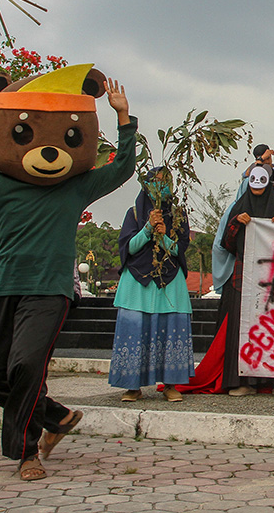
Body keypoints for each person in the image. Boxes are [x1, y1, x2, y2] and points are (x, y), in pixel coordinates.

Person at [0, 72, 136, 481]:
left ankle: (27, 454)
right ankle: (57, 416)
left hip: (49, 291)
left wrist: (124, 119)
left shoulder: (75, 187)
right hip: (3, 289)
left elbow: (122, 168)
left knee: (25, 366)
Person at [178, 166, 274, 396]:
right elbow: (228, 246)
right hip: (242, 279)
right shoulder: (237, 211)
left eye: (262, 182)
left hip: (273, 282)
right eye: (253, 182)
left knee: (273, 328)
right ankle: (243, 382)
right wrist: (237, 225)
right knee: (241, 330)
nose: (257, 186)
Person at [109, 168, 194, 403]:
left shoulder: (178, 215)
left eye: (166, 182)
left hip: (170, 280)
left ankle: (169, 385)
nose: (161, 186)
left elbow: (179, 250)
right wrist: (148, 228)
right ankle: (131, 386)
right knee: (135, 331)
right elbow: (129, 247)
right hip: (138, 281)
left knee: (170, 330)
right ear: (145, 184)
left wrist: (164, 235)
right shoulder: (134, 213)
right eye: (156, 182)